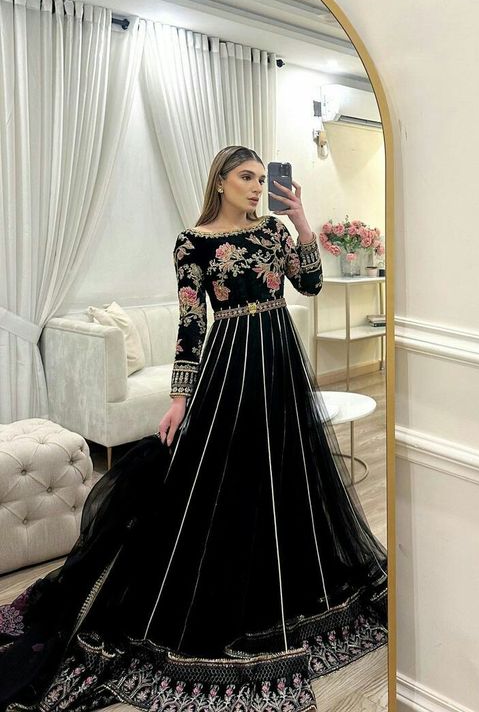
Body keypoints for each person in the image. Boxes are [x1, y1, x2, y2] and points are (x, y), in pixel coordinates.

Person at [0, 145, 388, 712]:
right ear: (222, 181)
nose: (257, 188)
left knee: (291, 469)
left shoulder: (276, 232)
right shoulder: (193, 243)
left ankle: (297, 579)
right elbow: (190, 324)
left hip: (279, 357)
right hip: (229, 363)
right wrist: (180, 399)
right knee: (227, 480)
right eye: (246, 178)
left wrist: (302, 219)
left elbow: (309, 285)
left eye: (262, 178)